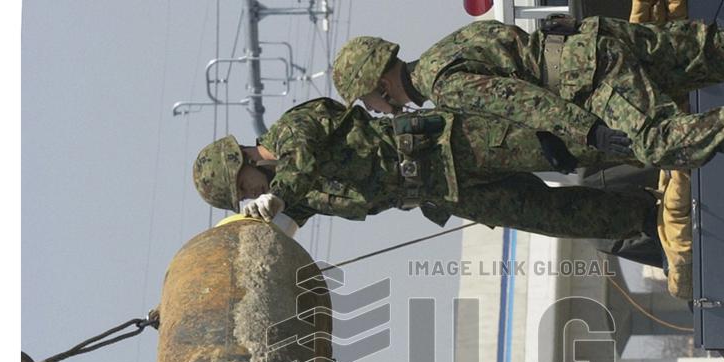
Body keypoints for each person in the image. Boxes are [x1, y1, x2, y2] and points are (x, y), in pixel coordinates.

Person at [192, 97, 660, 242]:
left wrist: (279, 196)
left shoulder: (294, 128)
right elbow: (286, 227)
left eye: (242, 189)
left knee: (574, 147)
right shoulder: (295, 196)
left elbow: (303, 159)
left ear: (243, 163)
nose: (250, 195)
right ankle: (648, 218)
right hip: (447, 191)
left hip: (458, 146)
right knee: (552, 215)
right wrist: (257, 234)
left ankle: (666, 139)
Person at [332, 15, 724, 170]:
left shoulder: (444, 86)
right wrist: (548, 135)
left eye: (366, 100)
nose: (373, 110)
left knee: (656, 144)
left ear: (381, 85)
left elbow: (526, 101)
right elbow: (512, 51)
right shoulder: (445, 48)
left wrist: (587, 133)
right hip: (593, 40)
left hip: (590, 76)